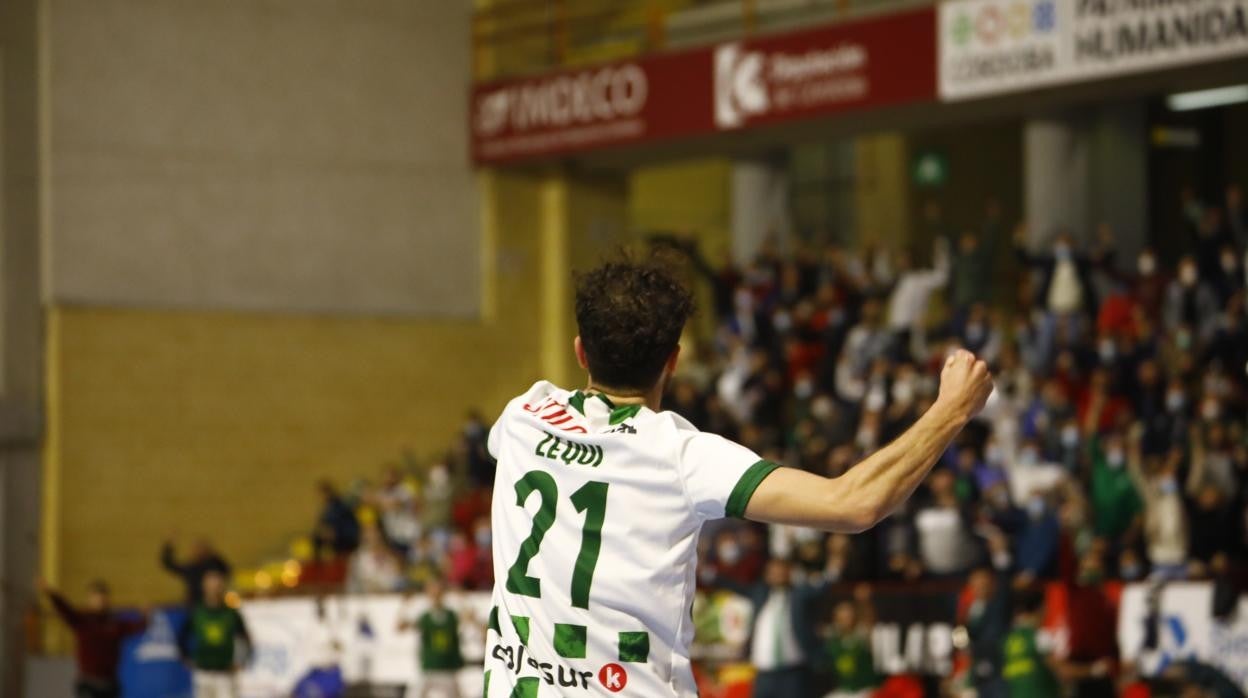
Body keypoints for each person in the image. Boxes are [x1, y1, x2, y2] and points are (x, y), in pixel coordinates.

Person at [481, 255, 994, 696]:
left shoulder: (523, 416)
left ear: (580, 351)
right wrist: (951, 410)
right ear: (673, 362)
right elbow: (853, 503)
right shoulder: (682, 456)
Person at [707, 558, 828, 697]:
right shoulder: (760, 594)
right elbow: (735, 587)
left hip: (792, 673)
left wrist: (830, 571)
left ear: (789, 573)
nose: (778, 575)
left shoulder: (799, 595)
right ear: (767, 575)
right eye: (773, 571)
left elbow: (820, 588)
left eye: (781, 571)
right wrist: (710, 574)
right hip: (763, 674)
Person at [39, 577, 147, 698]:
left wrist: (145, 616)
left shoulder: (114, 623)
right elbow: (65, 610)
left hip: (109, 684)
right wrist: (50, 593)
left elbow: (136, 627)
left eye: (102, 597)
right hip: (88, 684)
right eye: (96, 597)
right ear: (90, 599)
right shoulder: (82, 621)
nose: (100, 600)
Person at [180, 569, 252, 698]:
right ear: (204, 588)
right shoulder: (197, 612)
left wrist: (241, 660)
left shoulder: (231, 613)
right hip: (203, 672)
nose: (215, 589)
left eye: (218, 586)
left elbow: (244, 638)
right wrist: (185, 657)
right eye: (211, 585)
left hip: (225, 673)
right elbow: (182, 636)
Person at [397, 578, 464, 698]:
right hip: (428, 668)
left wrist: (462, 598)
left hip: (448, 669)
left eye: (438, 591)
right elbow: (400, 627)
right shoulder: (424, 616)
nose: (435, 595)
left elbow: (471, 618)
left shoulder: (452, 615)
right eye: (432, 591)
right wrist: (404, 605)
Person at [1001, 586, 1060, 698]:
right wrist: (1093, 670)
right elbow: (1061, 671)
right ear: (1041, 608)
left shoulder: (1006, 640)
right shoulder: (1040, 636)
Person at [822, 600, 879, 698]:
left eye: (848, 617)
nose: (846, 621)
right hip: (846, 690)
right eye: (841, 618)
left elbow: (870, 623)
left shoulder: (862, 634)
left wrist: (864, 603)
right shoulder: (834, 639)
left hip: (866, 689)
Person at [160, 536, 231, 606]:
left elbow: (226, 570)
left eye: (201, 549)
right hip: (193, 604)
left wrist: (214, 554)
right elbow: (170, 565)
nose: (198, 552)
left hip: (211, 604)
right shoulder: (191, 568)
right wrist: (169, 548)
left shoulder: (213, 565)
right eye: (196, 549)